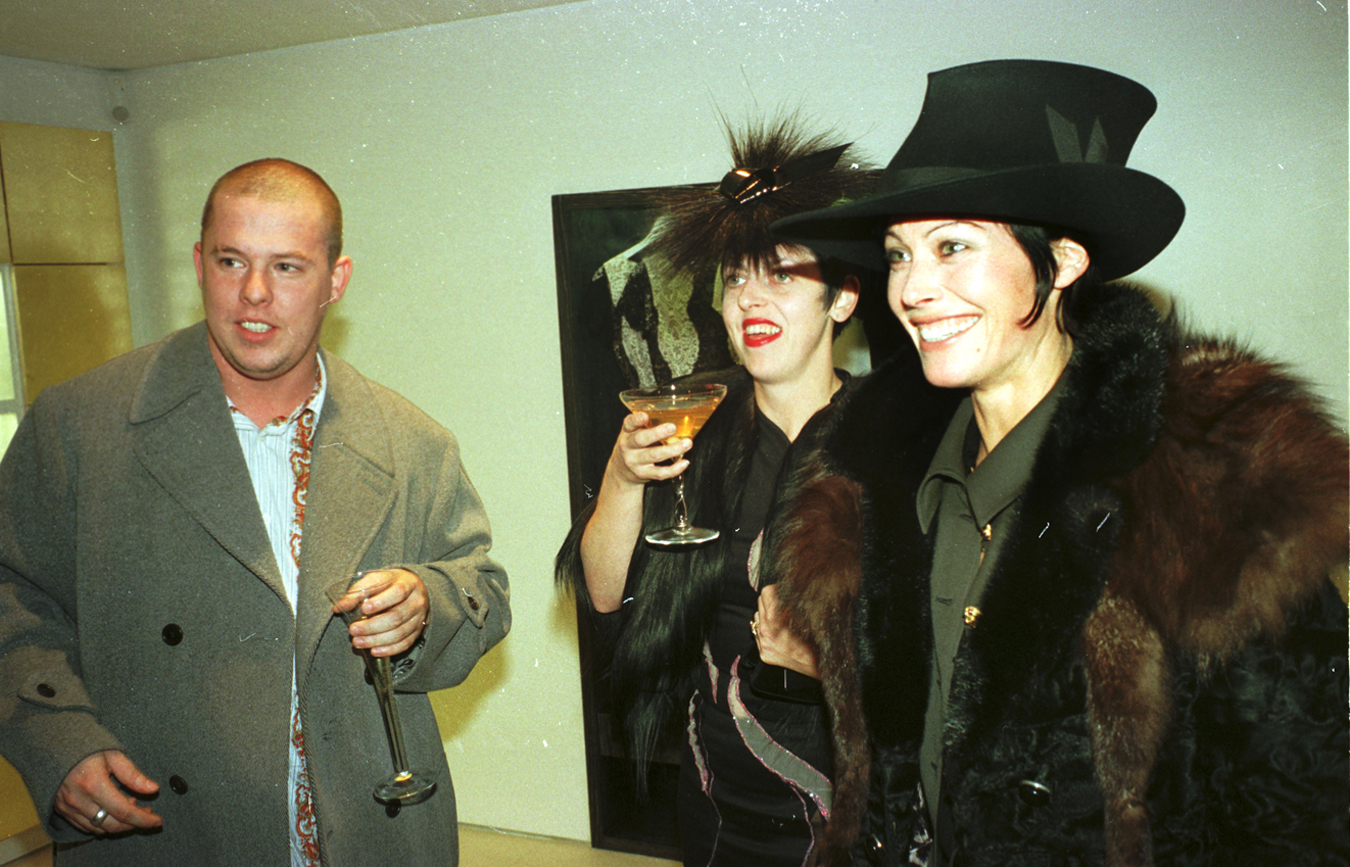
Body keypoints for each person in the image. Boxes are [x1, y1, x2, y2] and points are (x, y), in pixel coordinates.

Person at [761, 60, 1349, 866]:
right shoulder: (869, 476)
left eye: (953, 246)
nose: (914, 289)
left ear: (1062, 261)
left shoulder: (1213, 483)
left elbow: (1293, 800)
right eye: (899, 254)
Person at [0, 158, 509, 866]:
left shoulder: (410, 442)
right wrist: (59, 741)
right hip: (170, 830)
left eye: (289, 268)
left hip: (368, 831)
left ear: (337, 279)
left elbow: (483, 585)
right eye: (231, 260)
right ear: (198, 264)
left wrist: (430, 601)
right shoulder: (81, 425)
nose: (254, 294)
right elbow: (11, 596)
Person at [556, 118, 876, 866]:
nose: (749, 299)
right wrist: (623, 476)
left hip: (843, 813)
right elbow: (603, 595)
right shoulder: (694, 423)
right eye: (735, 277)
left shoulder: (886, 444)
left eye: (782, 274)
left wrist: (828, 660)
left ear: (843, 297)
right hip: (710, 800)